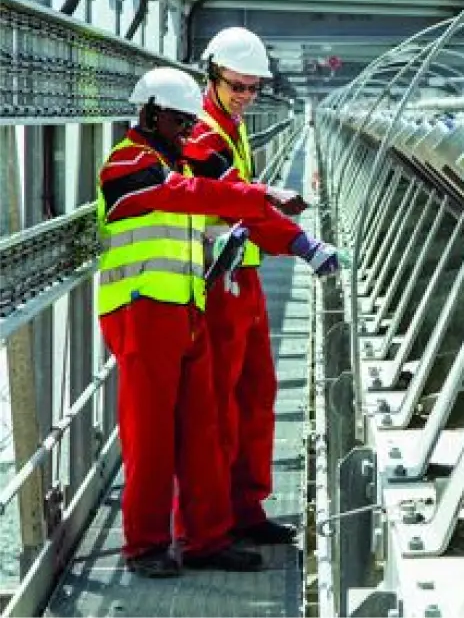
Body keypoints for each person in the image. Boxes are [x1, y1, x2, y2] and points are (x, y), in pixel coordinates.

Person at [98, 67, 343, 578]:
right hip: (141, 313)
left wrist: (291, 236)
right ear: (147, 113)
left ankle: (205, 538)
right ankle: (144, 545)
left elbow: (219, 200)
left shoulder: (173, 162)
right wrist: (259, 195)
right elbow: (195, 195)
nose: (187, 130)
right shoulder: (127, 165)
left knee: (203, 429)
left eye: (191, 122)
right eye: (177, 120)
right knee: (151, 436)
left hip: (187, 309)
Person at [184, 26, 343, 545]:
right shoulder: (203, 134)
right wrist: (303, 245)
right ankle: (208, 523)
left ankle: (246, 506)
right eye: (237, 85)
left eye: (253, 88)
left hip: (243, 276)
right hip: (216, 283)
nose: (246, 96)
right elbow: (237, 200)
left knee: (257, 394)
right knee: (217, 404)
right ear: (212, 76)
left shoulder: (234, 127)